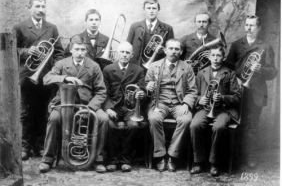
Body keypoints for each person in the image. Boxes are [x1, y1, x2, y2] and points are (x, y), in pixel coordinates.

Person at [38, 35, 109, 173]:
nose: (80, 53)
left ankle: (97, 159)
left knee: (103, 119)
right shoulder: (62, 64)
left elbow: (101, 92)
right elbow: (47, 79)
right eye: (77, 49)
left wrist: (90, 108)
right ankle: (47, 159)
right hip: (63, 104)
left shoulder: (94, 66)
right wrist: (65, 78)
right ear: (71, 49)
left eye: (83, 49)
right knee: (54, 118)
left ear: (86, 50)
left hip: (87, 105)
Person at [13, 0, 64, 160]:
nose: (41, 10)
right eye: (37, 6)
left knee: (43, 111)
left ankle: (40, 145)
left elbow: (58, 52)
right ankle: (25, 146)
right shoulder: (20, 27)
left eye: (43, 6)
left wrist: (54, 71)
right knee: (26, 112)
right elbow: (12, 49)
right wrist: (27, 51)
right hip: (27, 75)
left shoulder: (52, 28)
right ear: (30, 8)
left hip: (45, 76)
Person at [225, 15, 277, 169]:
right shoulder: (236, 44)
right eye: (246, 25)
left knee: (252, 125)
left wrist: (260, 69)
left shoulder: (266, 46)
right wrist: (236, 80)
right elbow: (228, 67)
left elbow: (273, 72)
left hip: (256, 92)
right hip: (238, 89)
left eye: (252, 25)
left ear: (258, 28)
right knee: (235, 123)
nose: (248, 28)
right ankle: (235, 156)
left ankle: (250, 156)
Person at [145, 39, 197, 172]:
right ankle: (160, 155)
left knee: (186, 120)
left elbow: (192, 90)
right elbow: (146, 86)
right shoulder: (154, 66)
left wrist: (186, 104)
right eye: (171, 48)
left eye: (176, 49)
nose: (173, 51)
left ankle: (173, 156)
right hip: (159, 103)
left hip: (179, 103)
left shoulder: (187, 67)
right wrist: (148, 87)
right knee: (154, 118)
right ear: (165, 50)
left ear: (180, 52)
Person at [190, 47, 241, 176]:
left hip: (224, 109)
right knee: (194, 125)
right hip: (206, 108)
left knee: (219, 127)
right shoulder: (201, 73)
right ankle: (198, 162)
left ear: (223, 57)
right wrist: (199, 100)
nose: (216, 58)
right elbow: (194, 93)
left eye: (219, 56)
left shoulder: (230, 73)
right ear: (209, 57)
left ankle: (214, 163)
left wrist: (223, 98)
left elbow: (237, 97)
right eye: (213, 55)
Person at [103, 42, 146, 172]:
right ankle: (112, 159)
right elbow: (103, 92)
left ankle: (125, 160)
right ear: (117, 53)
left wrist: (141, 94)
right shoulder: (108, 69)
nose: (124, 55)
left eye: (127, 52)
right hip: (114, 106)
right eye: (122, 52)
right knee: (109, 125)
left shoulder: (138, 70)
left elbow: (143, 90)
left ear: (132, 55)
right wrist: (108, 108)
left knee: (133, 125)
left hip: (130, 108)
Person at [127, 0, 174, 66]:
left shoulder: (168, 28)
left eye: (154, 8)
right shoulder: (134, 27)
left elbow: (171, 51)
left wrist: (163, 50)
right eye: (148, 8)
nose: (151, 11)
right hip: (135, 66)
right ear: (144, 10)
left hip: (157, 66)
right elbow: (127, 47)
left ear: (158, 10)